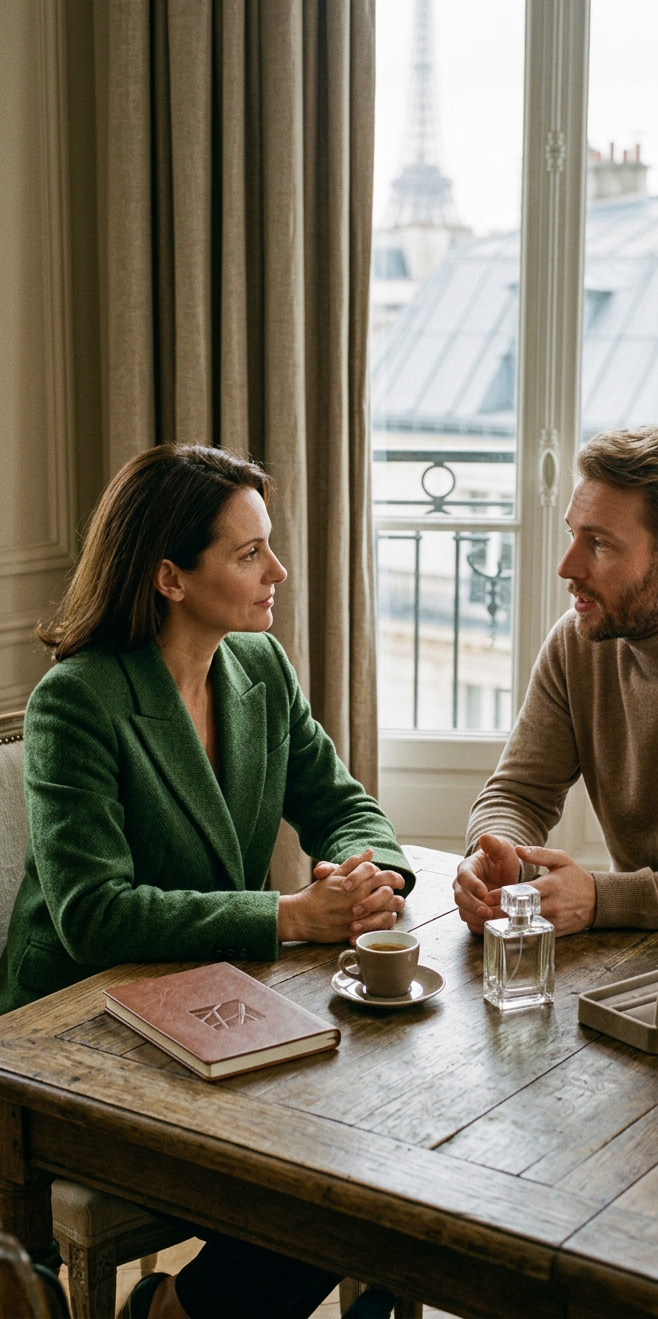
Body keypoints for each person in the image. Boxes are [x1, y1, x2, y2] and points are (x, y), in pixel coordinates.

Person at [0, 443, 414, 1319]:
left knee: (378, 1149)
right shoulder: (77, 700)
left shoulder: (260, 670)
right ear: (170, 577)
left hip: (214, 1004)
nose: (281, 570)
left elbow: (340, 801)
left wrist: (373, 872)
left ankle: (178, 1312)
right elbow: (94, 916)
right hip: (77, 1032)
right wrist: (291, 916)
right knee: (326, 1176)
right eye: (249, 552)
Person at [453, 425, 658, 938]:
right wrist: (498, 852)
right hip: (647, 951)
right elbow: (518, 793)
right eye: (572, 533)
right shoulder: (580, 641)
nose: (566, 566)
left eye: (598, 544)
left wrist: (601, 899)